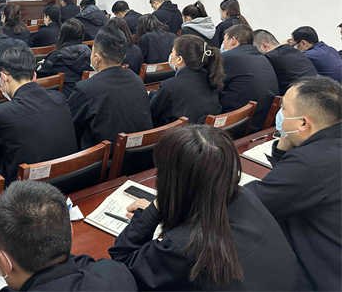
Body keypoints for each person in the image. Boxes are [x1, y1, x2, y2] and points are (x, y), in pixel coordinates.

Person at [110, 125, 297, 291]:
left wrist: (156, 207)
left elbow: (121, 268)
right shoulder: (246, 197)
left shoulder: (182, 246)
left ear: (170, 180)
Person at [246, 76, 341, 291]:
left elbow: (250, 202)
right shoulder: (329, 146)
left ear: (303, 123)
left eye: (284, 109)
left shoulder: (312, 162)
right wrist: (285, 146)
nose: (280, 114)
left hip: (318, 275)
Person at [0, 181, 137, 291]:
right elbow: (86, 265)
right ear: (70, 232)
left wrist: (12, 261)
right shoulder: (117, 276)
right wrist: (14, 256)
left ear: (5, 263)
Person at [0, 46, 78, 186]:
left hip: (24, 192)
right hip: (67, 183)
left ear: (3, 77)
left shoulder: (2, 113)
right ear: (34, 76)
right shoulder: (60, 98)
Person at [68, 27, 152, 152]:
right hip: (140, 154)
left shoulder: (85, 89)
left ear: (96, 57)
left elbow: (69, 127)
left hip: (103, 159)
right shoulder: (137, 80)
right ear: (124, 56)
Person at [149, 35, 223, 126]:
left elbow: (152, 114)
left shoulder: (170, 85)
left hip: (183, 132)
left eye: (172, 52)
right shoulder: (211, 78)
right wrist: (155, 94)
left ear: (179, 59)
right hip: (206, 130)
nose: (171, 55)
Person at [220, 24, 278, 133]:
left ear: (233, 41)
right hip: (260, 121)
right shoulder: (262, 58)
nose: (222, 44)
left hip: (237, 125)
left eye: (224, 40)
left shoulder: (227, 58)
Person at [36, 19, 93, 97]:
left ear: (62, 35)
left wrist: (40, 64)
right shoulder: (90, 53)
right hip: (82, 97)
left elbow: (39, 74)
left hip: (61, 98)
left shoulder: (56, 56)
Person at [253, 29, 317, 95]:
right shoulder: (292, 50)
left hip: (302, 96)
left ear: (264, 46)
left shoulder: (270, 56)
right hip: (318, 91)